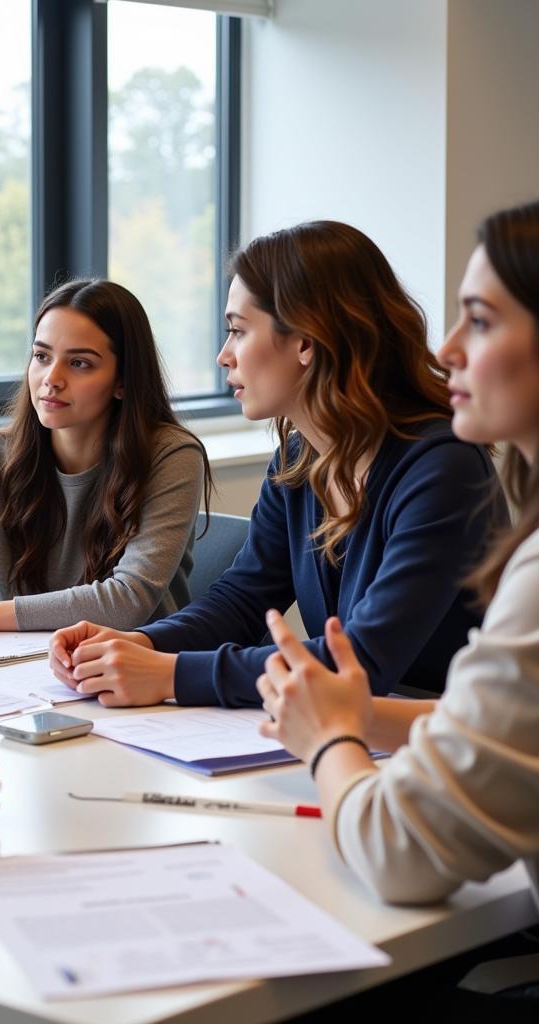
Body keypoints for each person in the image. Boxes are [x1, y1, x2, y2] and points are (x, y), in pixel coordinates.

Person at [255, 200, 539, 1015]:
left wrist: (331, 736)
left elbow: (396, 851)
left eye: (479, 321)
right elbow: (501, 723)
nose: (448, 351)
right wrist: (359, 717)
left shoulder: (446, 473)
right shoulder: (299, 450)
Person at [50, 221, 506, 707]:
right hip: (354, 726)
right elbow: (242, 601)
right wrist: (144, 642)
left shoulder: (443, 468)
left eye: (238, 331)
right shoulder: (297, 459)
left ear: (306, 341)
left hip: (451, 740)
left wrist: (170, 674)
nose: (224, 355)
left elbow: (363, 661)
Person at [0, 278, 211, 632]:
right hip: (17, 664)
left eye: (79, 363)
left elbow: (126, 601)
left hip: (130, 669)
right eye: (41, 356)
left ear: (123, 381)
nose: (51, 378)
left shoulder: (171, 456)